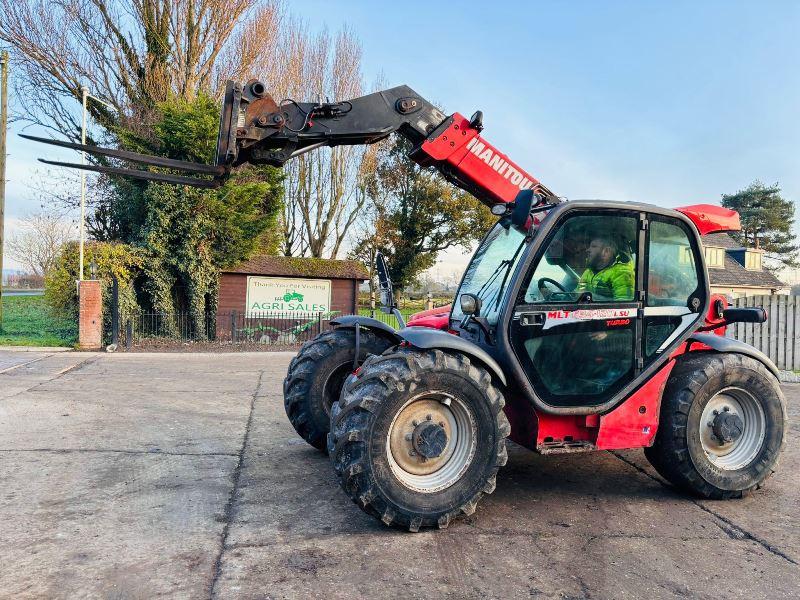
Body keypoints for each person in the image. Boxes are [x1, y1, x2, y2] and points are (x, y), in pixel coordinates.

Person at [576, 236, 634, 301]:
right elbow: (577, 294)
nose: (588, 250)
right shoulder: (589, 271)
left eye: (594, 246)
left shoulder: (621, 273)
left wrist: (592, 298)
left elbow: (623, 305)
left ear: (606, 251)